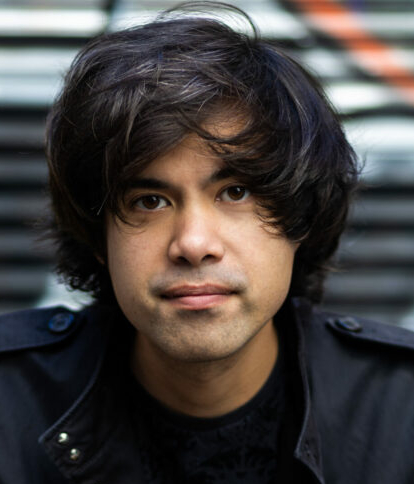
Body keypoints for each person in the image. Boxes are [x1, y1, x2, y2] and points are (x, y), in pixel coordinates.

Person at [1, 2, 414, 483]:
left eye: (235, 192)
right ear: (98, 237)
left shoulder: (401, 408)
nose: (194, 244)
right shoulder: (9, 403)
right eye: (149, 201)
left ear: (301, 217)